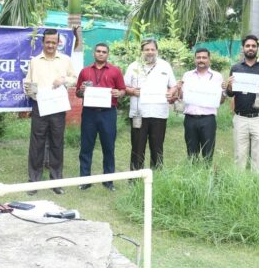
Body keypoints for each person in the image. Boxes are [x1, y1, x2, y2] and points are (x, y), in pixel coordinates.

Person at [23, 29, 77, 195]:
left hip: (58, 107)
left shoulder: (66, 60)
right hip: (40, 106)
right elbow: (28, 82)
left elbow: (74, 79)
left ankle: (56, 181)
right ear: (43, 42)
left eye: (54, 42)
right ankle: (34, 181)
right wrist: (30, 90)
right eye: (48, 42)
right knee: (36, 144)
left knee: (57, 143)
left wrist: (64, 80)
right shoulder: (35, 61)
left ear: (58, 43)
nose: (51, 45)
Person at [223, 35, 259, 172]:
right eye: (248, 46)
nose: (250, 48)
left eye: (253, 46)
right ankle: (239, 185)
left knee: (257, 156)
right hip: (240, 118)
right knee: (239, 156)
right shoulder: (235, 68)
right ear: (243, 48)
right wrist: (228, 87)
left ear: (257, 48)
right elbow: (231, 94)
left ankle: (255, 187)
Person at [75, 43, 126, 191]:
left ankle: (108, 181)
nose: (101, 53)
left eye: (104, 52)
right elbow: (78, 93)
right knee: (86, 147)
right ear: (94, 53)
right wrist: (82, 91)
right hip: (89, 113)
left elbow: (122, 90)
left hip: (108, 113)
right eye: (98, 51)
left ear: (107, 54)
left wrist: (119, 93)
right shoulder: (85, 71)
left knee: (108, 147)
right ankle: (85, 180)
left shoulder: (115, 71)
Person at [124, 38, 177, 170]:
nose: (150, 52)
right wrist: (131, 91)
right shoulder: (133, 66)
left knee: (157, 148)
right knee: (137, 148)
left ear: (157, 51)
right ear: (142, 51)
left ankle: (156, 179)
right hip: (138, 114)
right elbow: (124, 87)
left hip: (159, 114)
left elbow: (173, 86)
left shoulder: (165, 66)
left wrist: (171, 92)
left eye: (152, 49)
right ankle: (135, 179)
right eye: (146, 49)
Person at [178, 48, 225, 161]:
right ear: (195, 59)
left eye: (204, 57)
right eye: (198, 57)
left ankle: (207, 176)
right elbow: (181, 97)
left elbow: (221, 101)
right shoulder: (187, 75)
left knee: (208, 153)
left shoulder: (217, 77)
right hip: (190, 119)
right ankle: (192, 176)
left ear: (209, 59)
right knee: (191, 153)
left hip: (208, 119)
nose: (201, 60)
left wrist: (224, 91)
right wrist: (178, 89)